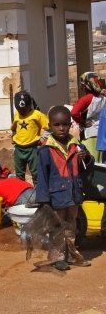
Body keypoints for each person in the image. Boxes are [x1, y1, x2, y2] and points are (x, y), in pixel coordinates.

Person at [35, 105, 94, 271]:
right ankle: (58, 258)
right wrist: (43, 200)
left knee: (71, 227)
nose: (61, 128)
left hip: (73, 195)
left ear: (70, 124)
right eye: (57, 125)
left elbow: (87, 168)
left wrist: (87, 157)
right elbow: (42, 177)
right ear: (50, 126)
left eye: (65, 124)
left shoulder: (77, 146)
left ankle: (72, 254)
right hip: (56, 197)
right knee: (57, 228)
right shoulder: (46, 150)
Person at [11, 91, 48, 184]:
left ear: (29, 106)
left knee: (36, 173)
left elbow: (50, 127)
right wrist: (14, 138)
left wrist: (43, 138)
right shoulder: (16, 114)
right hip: (19, 149)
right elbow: (14, 127)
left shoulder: (37, 114)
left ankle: (38, 193)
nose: (22, 112)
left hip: (33, 149)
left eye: (24, 110)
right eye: (20, 110)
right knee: (19, 174)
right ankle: (21, 194)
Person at [71, 71, 106, 158]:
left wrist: (82, 121)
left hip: (89, 134)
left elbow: (74, 113)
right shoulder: (103, 96)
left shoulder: (86, 99)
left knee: (91, 160)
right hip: (102, 133)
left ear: (85, 85)